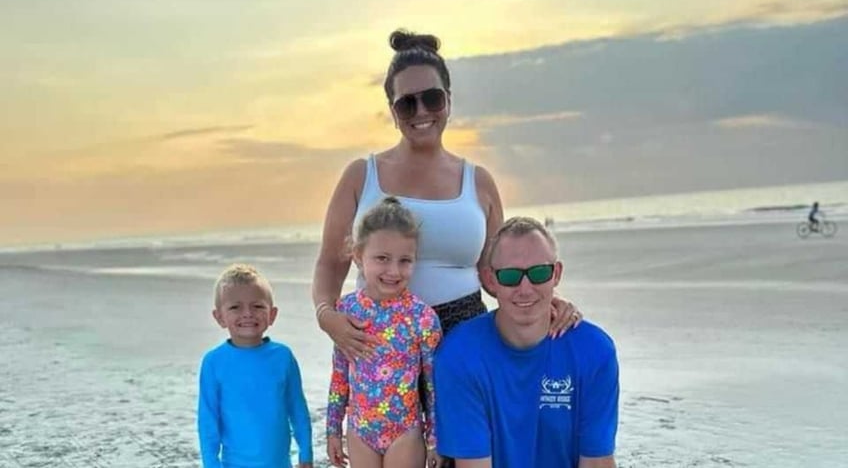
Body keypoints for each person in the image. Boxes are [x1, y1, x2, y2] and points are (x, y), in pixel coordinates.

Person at [311, 28, 581, 363]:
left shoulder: (478, 182)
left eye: (432, 98)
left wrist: (545, 298)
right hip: (380, 342)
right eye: (407, 104)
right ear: (393, 113)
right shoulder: (361, 176)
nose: (421, 110)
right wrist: (327, 316)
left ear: (449, 101)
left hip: (466, 339)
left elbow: (499, 272)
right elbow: (330, 261)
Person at [434, 217, 619, 468]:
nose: (525, 288)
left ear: (556, 274)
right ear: (491, 280)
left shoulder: (595, 352)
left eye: (539, 273)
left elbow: (597, 462)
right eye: (510, 276)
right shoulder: (459, 356)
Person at [325, 197, 443, 468]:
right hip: (359, 430)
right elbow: (340, 373)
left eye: (405, 261)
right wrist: (333, 429)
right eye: (382, 259)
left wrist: (434, 439)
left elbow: (431, 384)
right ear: (358, 256)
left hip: (405, 431)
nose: (394, 271)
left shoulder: (421, 317)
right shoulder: (346, 309)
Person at [198, 264, 313, 468]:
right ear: (220, 317)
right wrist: (211, 464)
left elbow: (298, 409)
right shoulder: (213, 363)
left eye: (257, 306)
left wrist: (306, 453)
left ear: (272, 314)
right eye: (235, 307)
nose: (248, 313)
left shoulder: (283, 357)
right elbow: (208, 421)